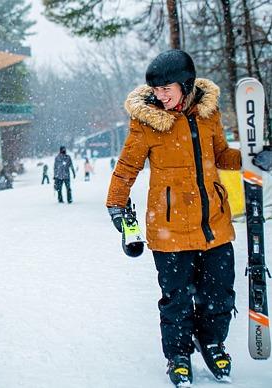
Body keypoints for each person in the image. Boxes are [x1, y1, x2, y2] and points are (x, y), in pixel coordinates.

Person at [106, 50, 272, 387]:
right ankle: (178, 354)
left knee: (220, 295)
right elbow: (127, 167)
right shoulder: (147, 121)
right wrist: (117, 205)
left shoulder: (208, 115)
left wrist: (253, 158)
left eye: (167, 88)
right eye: (156, 90)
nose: (160, 95)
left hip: (214, 223)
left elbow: (222, 155)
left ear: (186, 84)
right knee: (176, 299)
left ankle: (212, 342)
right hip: (169, 227)